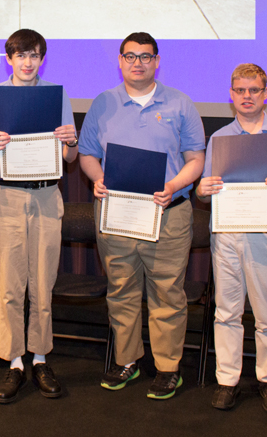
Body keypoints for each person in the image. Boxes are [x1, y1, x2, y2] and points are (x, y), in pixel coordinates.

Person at [79, 32, 205, 400]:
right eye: (130, 56)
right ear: (120, 61)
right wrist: (97, 178)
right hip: (117, 213)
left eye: (145, 56)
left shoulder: (181, 104)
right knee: (121, 290)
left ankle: (168, 368)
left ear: (157, 61)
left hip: (167, 212)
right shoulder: (103, 104)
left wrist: (174, 185)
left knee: (167, 292)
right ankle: (127, 360)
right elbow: (87, 154)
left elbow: (196, 159)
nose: (138, 63)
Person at [196, 64, 267, 415]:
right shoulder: (219, 138)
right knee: (227, 311)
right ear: (231, 95)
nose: (247, 97)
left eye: (254, 90)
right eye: (241, 90)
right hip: (227, 233)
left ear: (266, 94)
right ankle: (227, 381)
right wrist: (202, 189)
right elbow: (204, 191)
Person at [0, 29, 78, 404]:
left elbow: (69, 159)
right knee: (12, 285)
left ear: (41, 58)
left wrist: (71, 142)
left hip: (47, 195)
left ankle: (41, 357)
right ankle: (15, 361)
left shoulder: (56, 95)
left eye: (34, 55)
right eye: (20, 55)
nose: (27, 62)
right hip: (9, 197)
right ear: (9, 58)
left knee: (43, 284)